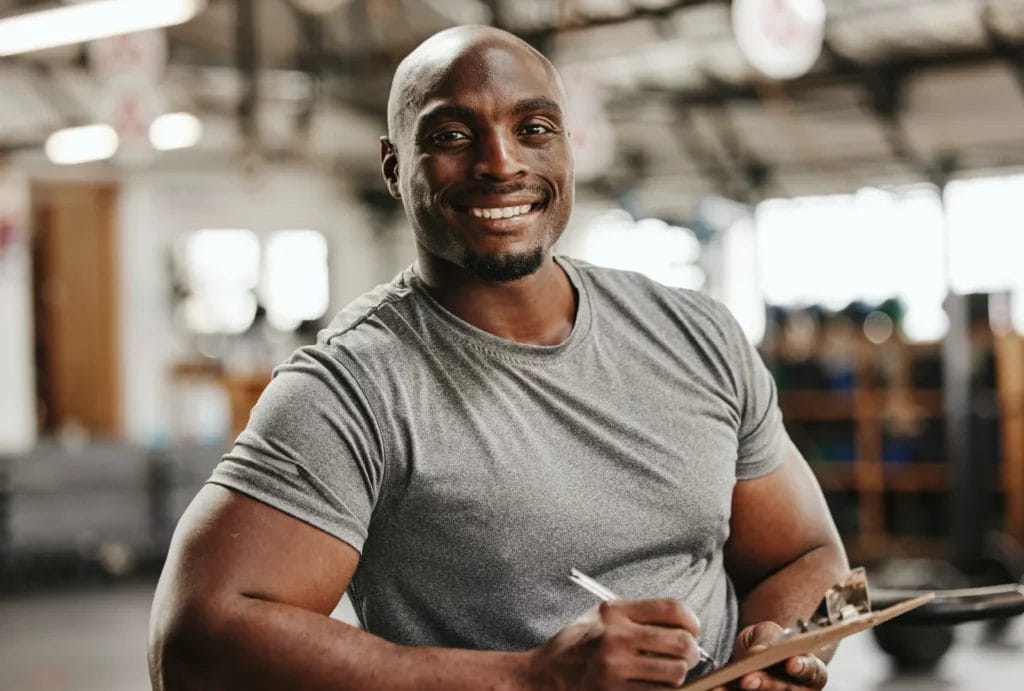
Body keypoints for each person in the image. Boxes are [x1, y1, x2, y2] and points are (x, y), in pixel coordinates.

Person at [148, 24, 848, 691]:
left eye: (533, 129)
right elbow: (194, 643)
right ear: (394, 166)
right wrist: (531, 679)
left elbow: (809, 556)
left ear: (567, 148)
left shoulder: (697, 334)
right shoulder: (349, 389)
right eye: (452, 136)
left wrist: (785, 647)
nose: (501, 163)